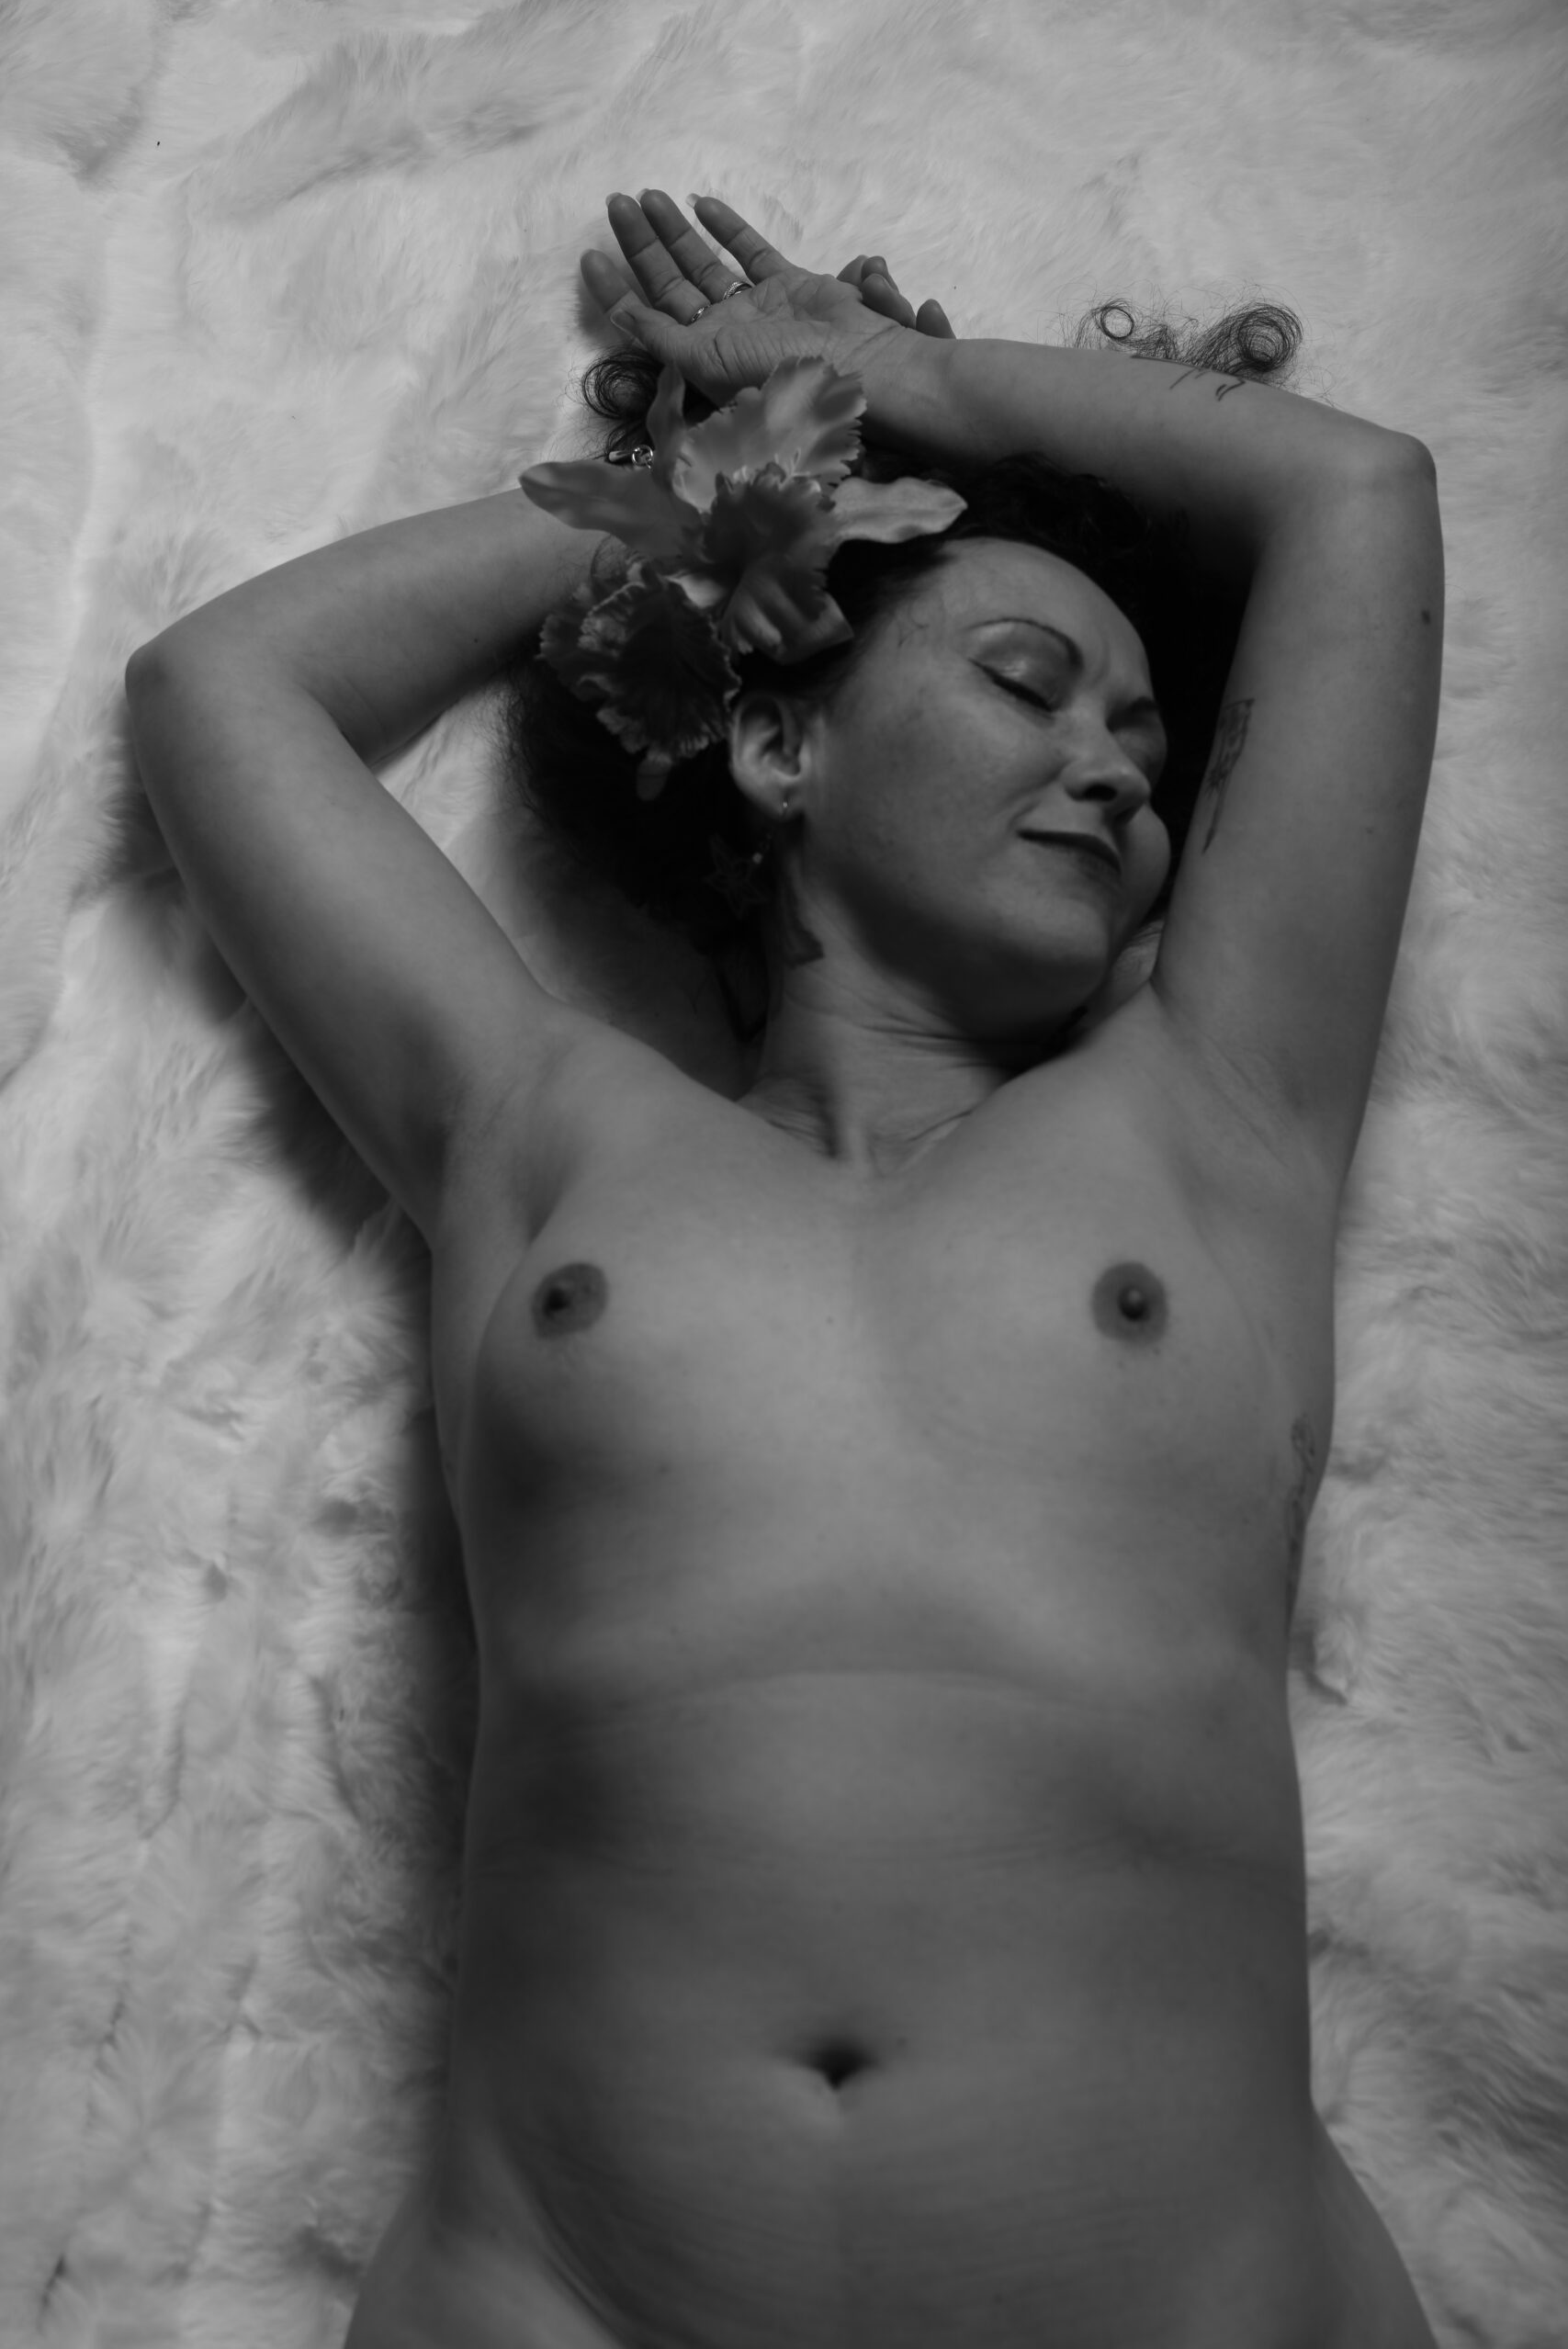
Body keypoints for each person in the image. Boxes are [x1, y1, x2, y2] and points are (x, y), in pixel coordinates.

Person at [124, 189, 1445, 2348]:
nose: (1108, 771)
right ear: (778, 744)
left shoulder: (1215, 1115)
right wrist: (721, 500)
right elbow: (222, 690)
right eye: (1026, 684)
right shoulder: (543, 1130)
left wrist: (906, 381)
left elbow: (1354, 496)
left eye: (1141, 752)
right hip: (557, 2290)